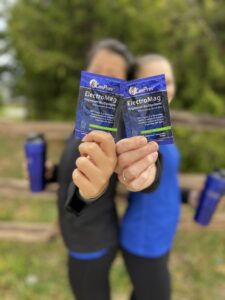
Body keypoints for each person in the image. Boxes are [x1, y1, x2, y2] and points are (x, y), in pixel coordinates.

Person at [54, 40, 161, 300]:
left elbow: (150, 166)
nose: (102, 78)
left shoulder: (123, 127)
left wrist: (146, 174)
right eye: (97, 68)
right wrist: (51, 171)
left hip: (90, 241)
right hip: (81, 236)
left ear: (124, 88)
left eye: (113, 75)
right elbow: (73, 172)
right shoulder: (83, 121)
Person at [118, 54, 180, 300]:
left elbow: (166, 179)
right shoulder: (133, 132)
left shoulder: (161, 124)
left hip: (162, 235)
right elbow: (141, 178)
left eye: (169, 82)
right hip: (144, 240)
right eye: (152, 83)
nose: (162, 90)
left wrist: (189, 195)